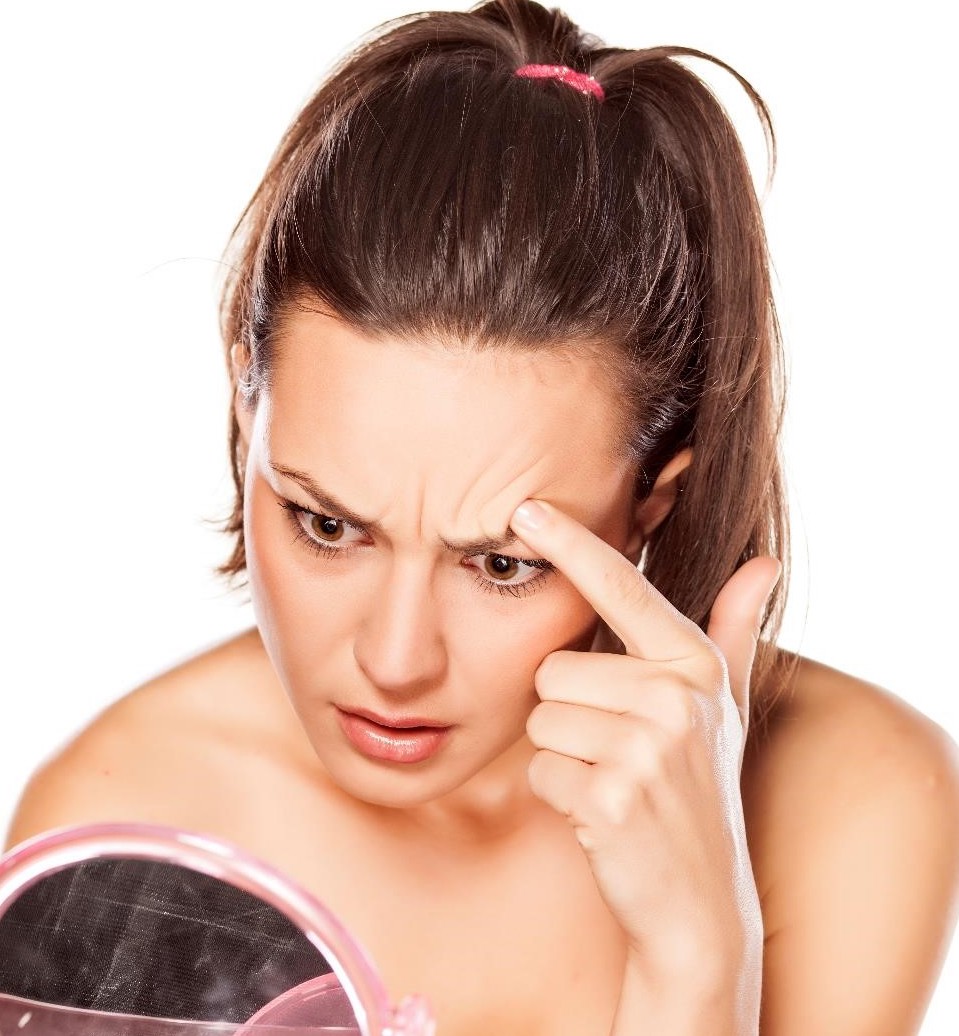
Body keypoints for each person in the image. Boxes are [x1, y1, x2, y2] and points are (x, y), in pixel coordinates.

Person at [5, 1, 959, 1033]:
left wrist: (695, 953)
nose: (393, 661)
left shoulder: (851, 799)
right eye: (327, 525)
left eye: (501, 563)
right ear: (248, 408)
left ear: (653, 498)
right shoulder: (123, 835)